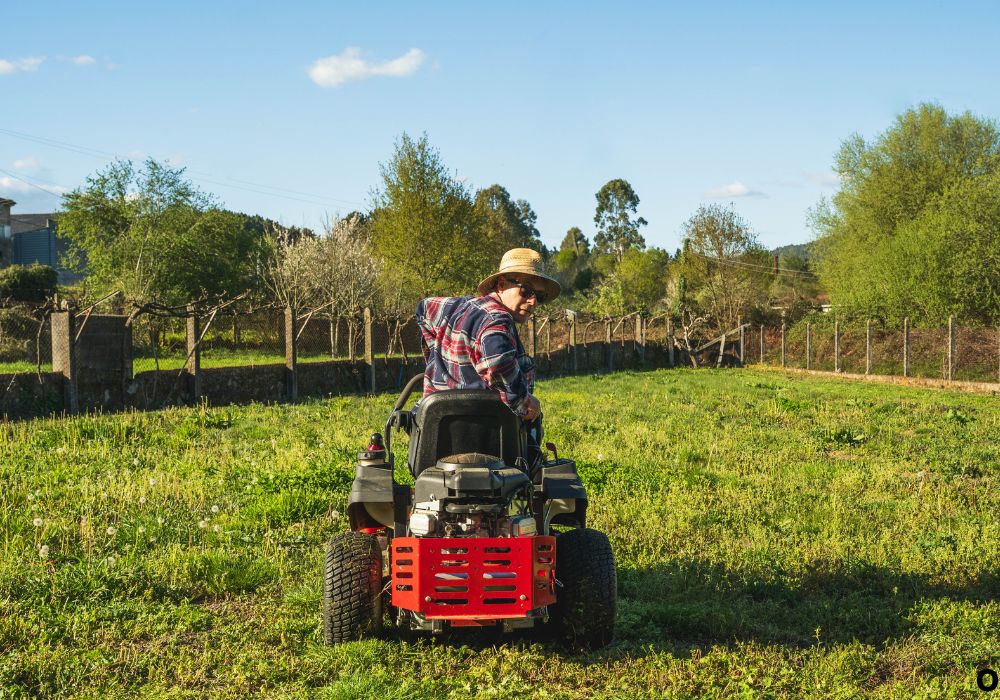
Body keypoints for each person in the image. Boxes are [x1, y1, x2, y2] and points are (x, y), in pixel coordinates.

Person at [415, 247, 561, 469]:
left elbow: (423, 309)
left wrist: (437, 359)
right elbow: (498, 362)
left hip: (436, 439)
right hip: (492, 445)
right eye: (527, 291)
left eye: (539, 296)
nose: (533, 302)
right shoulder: (497, 319)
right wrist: (524, 401)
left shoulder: (456, 307)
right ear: (501, 284)